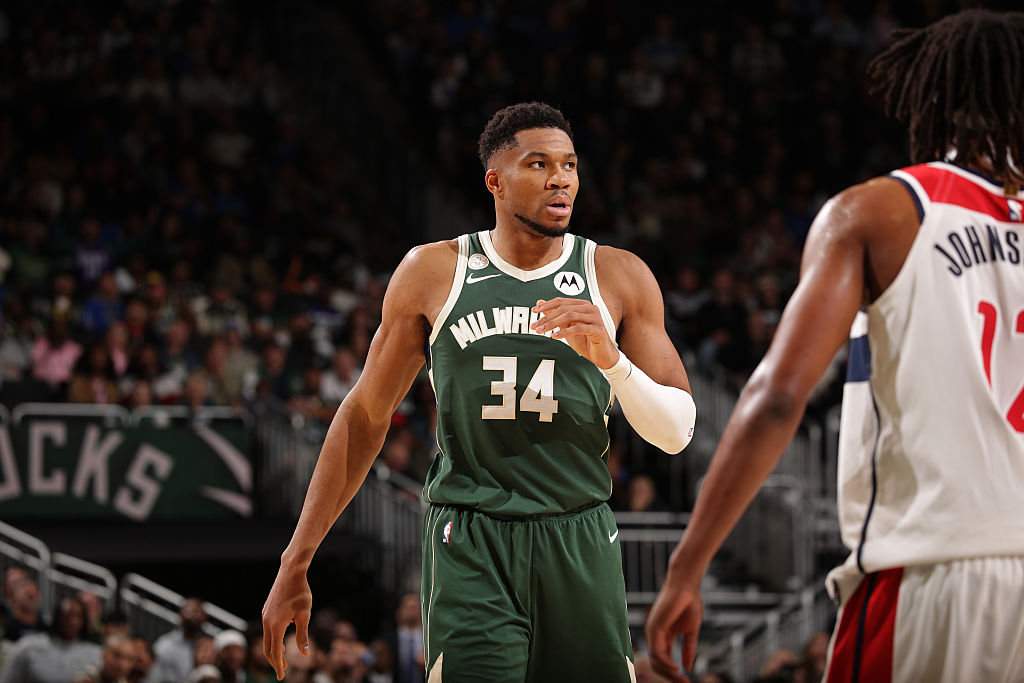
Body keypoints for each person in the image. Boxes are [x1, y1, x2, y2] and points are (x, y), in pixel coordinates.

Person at [645, 10, 1024, 683]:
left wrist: (686, 568)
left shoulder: (881, 210)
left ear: (932, 99)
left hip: (930, 571)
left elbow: (776, 396)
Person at [262, 101, 697, 682]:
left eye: (569, 165)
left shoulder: (617, 274)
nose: (560, 178)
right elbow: (365, 416)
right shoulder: (433, 271)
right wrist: (297, 558)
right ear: (495, 180)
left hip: (580, 533)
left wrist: (613, 362)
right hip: (472, 537)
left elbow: (677, 432)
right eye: (538, 164)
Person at [151, 598, 208, 683]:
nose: (197, 616)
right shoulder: (166, 644)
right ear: (181, 613)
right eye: (194, 611)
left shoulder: (205, 646)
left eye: (200, 612)